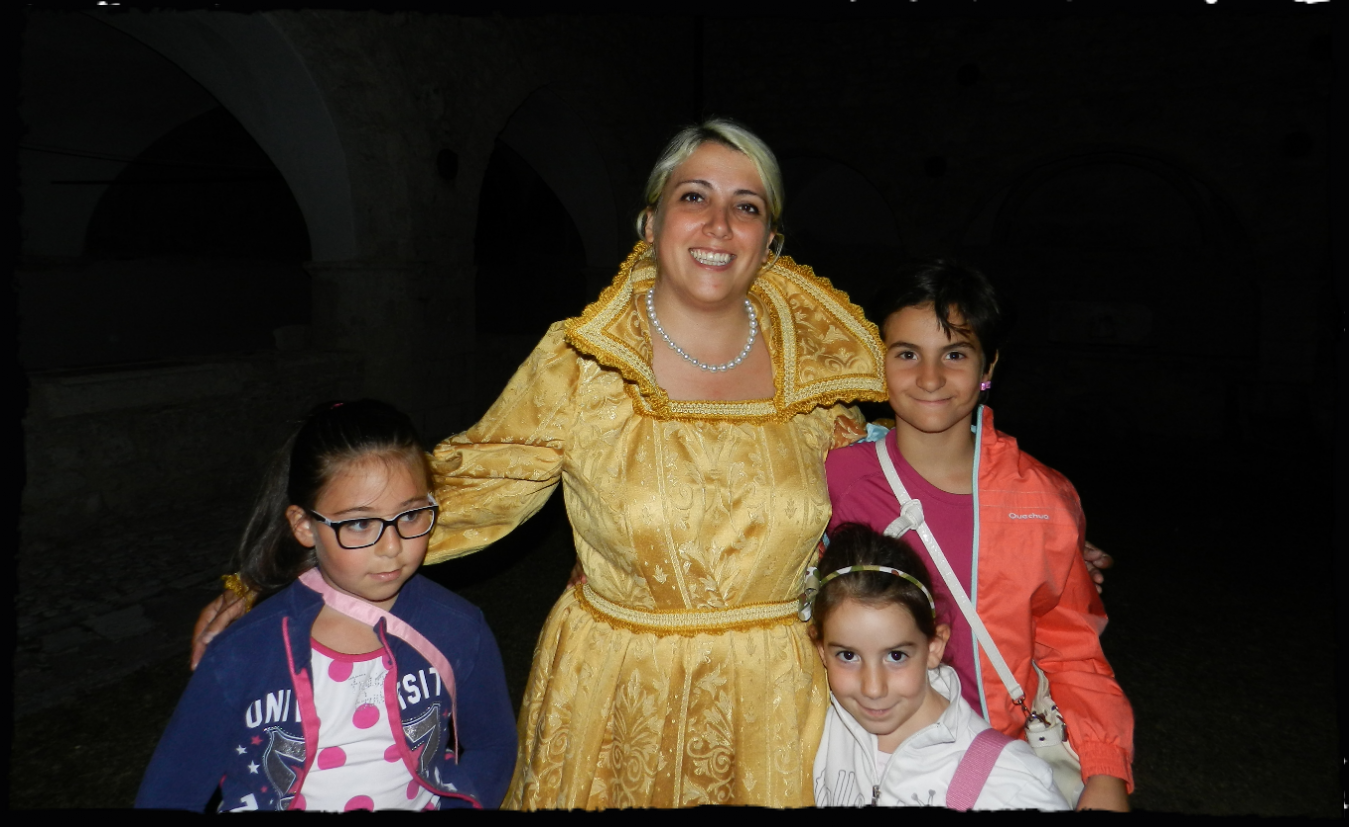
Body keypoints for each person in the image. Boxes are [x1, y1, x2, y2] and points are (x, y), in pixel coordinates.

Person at [188, 120, 1111, 809]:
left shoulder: (824, 372)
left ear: (770, 239)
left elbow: (912, 454)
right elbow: (462, 488)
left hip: (777, 701)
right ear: (650, 219)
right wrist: (273, 572)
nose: (719, 222)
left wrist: (1044, 542)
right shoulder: (583, 362)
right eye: (694, 196)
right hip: (616, 692)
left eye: (746, 204)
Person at [824, 259, 1133, 811]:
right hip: (863, 760)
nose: (930, 378)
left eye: (955, 355)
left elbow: (1073, 649)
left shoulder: (1039, 497)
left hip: (998, 765)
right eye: (907, 354)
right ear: (878, 359)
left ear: (989, 364)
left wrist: (1105, 771)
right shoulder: (838, 481)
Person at [138, 400, 517, 812]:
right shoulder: (242, 652)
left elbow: (493, 745)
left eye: (410, 516)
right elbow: (171, 790)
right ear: (304, 526)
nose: (392, 547)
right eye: (360, 523)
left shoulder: (458, 627)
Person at [808, 523, 1069, 810]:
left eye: (896, 656)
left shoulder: (1010, 784)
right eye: (848, 656)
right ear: (822, 651)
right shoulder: (822, 726)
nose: (873, 688)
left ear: (934, 646)